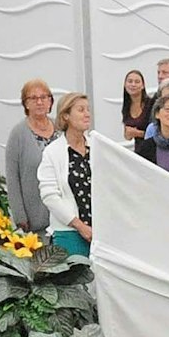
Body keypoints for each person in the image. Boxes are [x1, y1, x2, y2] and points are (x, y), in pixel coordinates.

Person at [38, 92, 96, 255]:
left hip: (100, 233)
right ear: (65, 116)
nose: (87, 114)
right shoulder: (52, 152)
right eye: (81, 110)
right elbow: (50, 196)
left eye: (88, 109)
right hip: (69, 232)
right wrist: (79, 225)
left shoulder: (96, 147)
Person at [4, 78, 59, 233]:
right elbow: (12, 178)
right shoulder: (18, 134)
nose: (39, 102)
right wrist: (19, 216)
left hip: (63, 215)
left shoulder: (62, 128)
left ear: (50, 102)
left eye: (44, 97)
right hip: (34, 217)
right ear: (26, 104)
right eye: (33, 98)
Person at [117, 69, 153, 140]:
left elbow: (157, 133)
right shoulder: (126, 106)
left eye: (137, 82)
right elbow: (127, 135)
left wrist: (138, 133)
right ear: (125, 85)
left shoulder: (150, 104)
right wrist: (128, 135)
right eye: (130, 81)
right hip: (138, 149)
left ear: (143, 86)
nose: (133, 85)